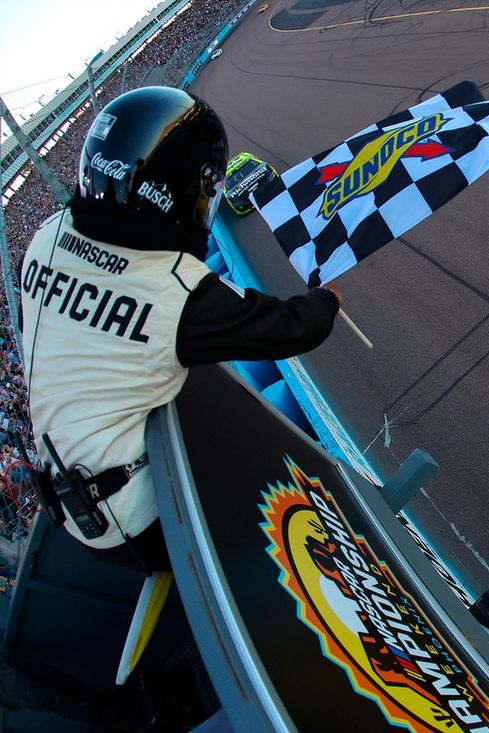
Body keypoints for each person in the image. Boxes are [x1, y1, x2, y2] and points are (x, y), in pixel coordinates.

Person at [19, 86, 343, 574]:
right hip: (132, 522)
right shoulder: (176, 291)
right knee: (262, 492)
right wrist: (328, 299)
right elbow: (291, 328)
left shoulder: (46, 236)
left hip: (68, 493)